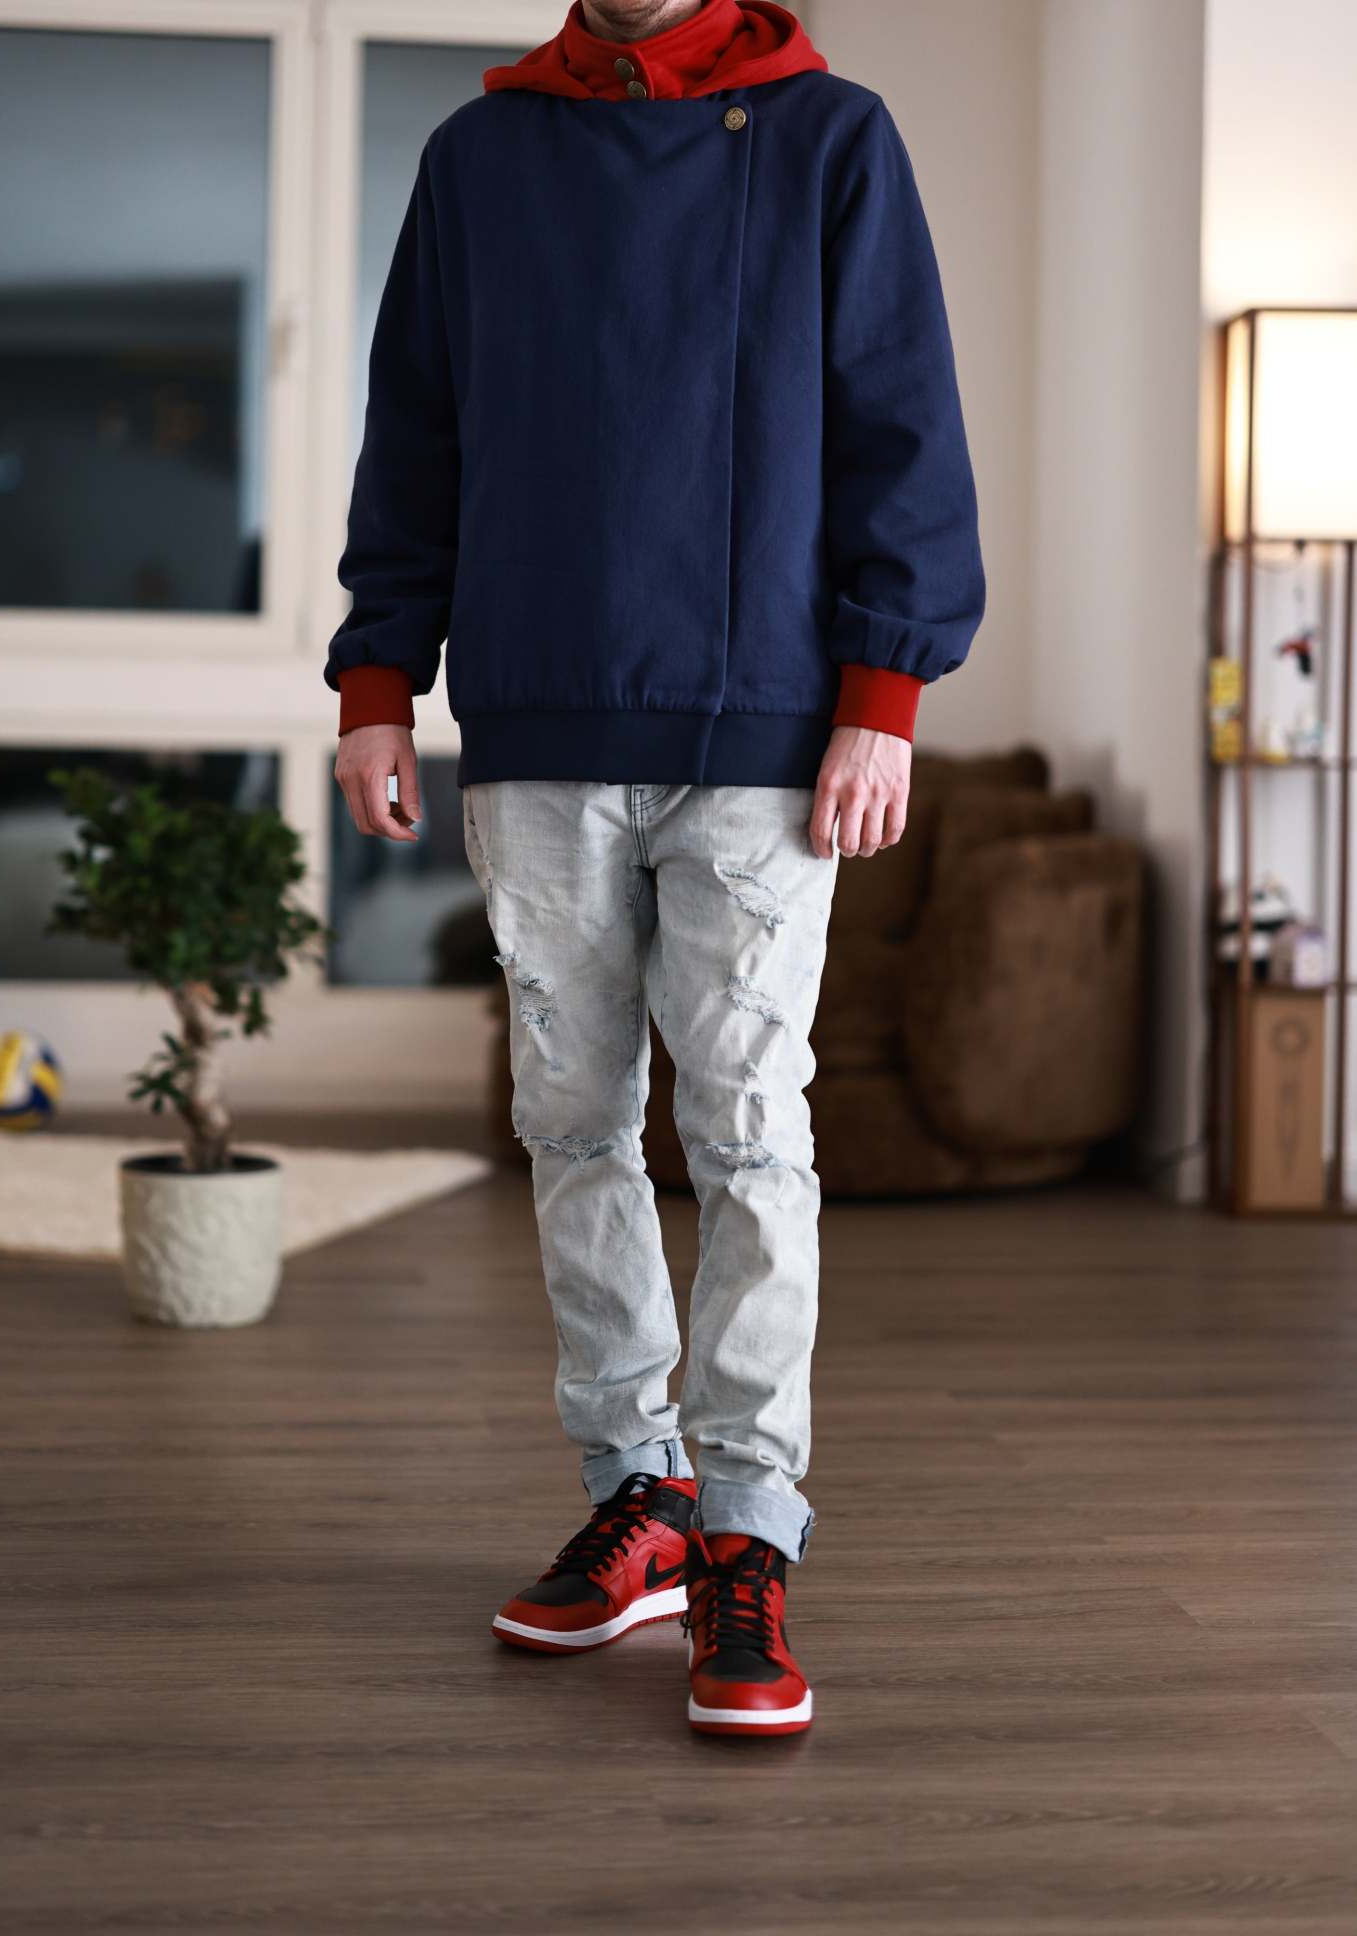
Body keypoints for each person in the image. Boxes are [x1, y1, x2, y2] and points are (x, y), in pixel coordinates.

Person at [328, 0, 984, 1739]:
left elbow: (900, 425)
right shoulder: (479, 158)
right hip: (535, 719)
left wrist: (883, 701)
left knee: (749, 1128)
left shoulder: (831, 139)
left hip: (762, 733)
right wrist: (379, 675)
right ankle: (643, 1492)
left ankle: (750, 1525)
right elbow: (416, 427)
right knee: (571, 1125)